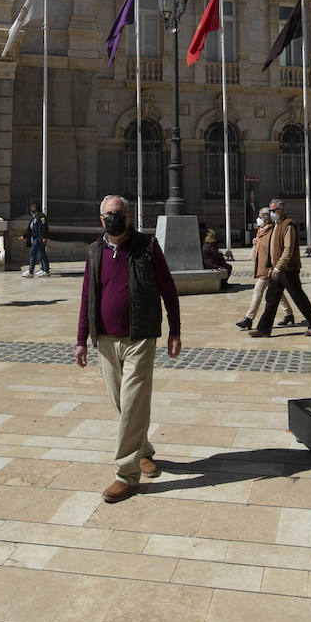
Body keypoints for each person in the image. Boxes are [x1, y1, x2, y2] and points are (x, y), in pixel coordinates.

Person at [75, 194, 182, 503]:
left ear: (129, 215)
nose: (114, 217)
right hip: (105, 341)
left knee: (132, 402)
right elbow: (87, 297)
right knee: (123, 405)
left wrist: (175, 330)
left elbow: (168, 290)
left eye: (118, 212)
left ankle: (126, 474)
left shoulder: (147, 247)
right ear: (100, 219)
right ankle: (144, 450)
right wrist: (81, 340)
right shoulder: (94, 252)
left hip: (139, 339)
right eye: (109, 213)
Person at [251, 198, 311, 338]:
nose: (271, 213)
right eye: (270, 211)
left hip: (288, 270)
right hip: (276, 269)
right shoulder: (276, 225)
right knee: (271, 299)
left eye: (273, 210)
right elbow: (272, 249)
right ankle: (264, 328)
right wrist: (271, 266)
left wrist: (278, 268)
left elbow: (288, 250)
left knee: (298, 297)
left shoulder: (288, 225)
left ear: (281, 210)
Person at [236, 207, 297, 330]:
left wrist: (272, 266)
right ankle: (288, 313)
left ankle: (248, 318)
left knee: (258, 291)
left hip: (268, 267)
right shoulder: (261, 230)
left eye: (260, 216)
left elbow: (272, 251)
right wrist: (256, 242)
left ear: (266, 218)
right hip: (261, 266)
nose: (258, 219)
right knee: (277, 292)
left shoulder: (272, 230)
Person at [21, 201, 51, 278]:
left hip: (39, 238)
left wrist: (44, 237)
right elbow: (30, 229)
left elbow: (44, 227)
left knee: (32, 253)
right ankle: (46, 270)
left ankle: (31, 272)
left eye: (33, 208)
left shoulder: (42, 216)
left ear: (35, 208)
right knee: (42, 254)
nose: (31, 209)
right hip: (36, 238)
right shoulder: (35, 217)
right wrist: (24, 236)